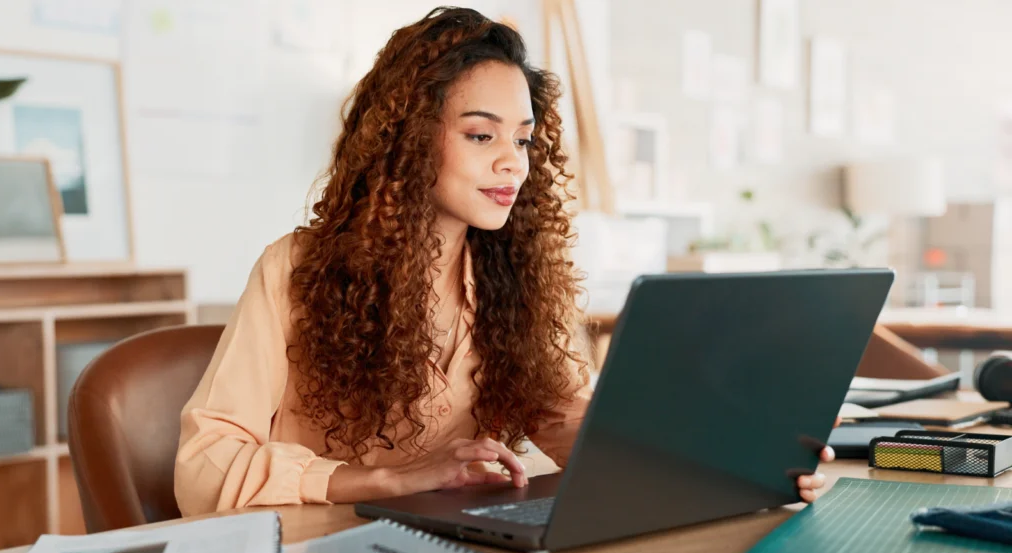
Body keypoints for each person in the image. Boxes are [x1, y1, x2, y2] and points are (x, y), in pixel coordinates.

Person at [174, 6, 834, 516]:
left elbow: (569, 419)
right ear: (407, 141)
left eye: (522, 139)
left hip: (462, 547)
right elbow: (204, 466)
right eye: (481, 134)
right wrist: (385, 480)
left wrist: (720, 461)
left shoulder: (516, 277)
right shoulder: (296, 267)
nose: (511, 162)